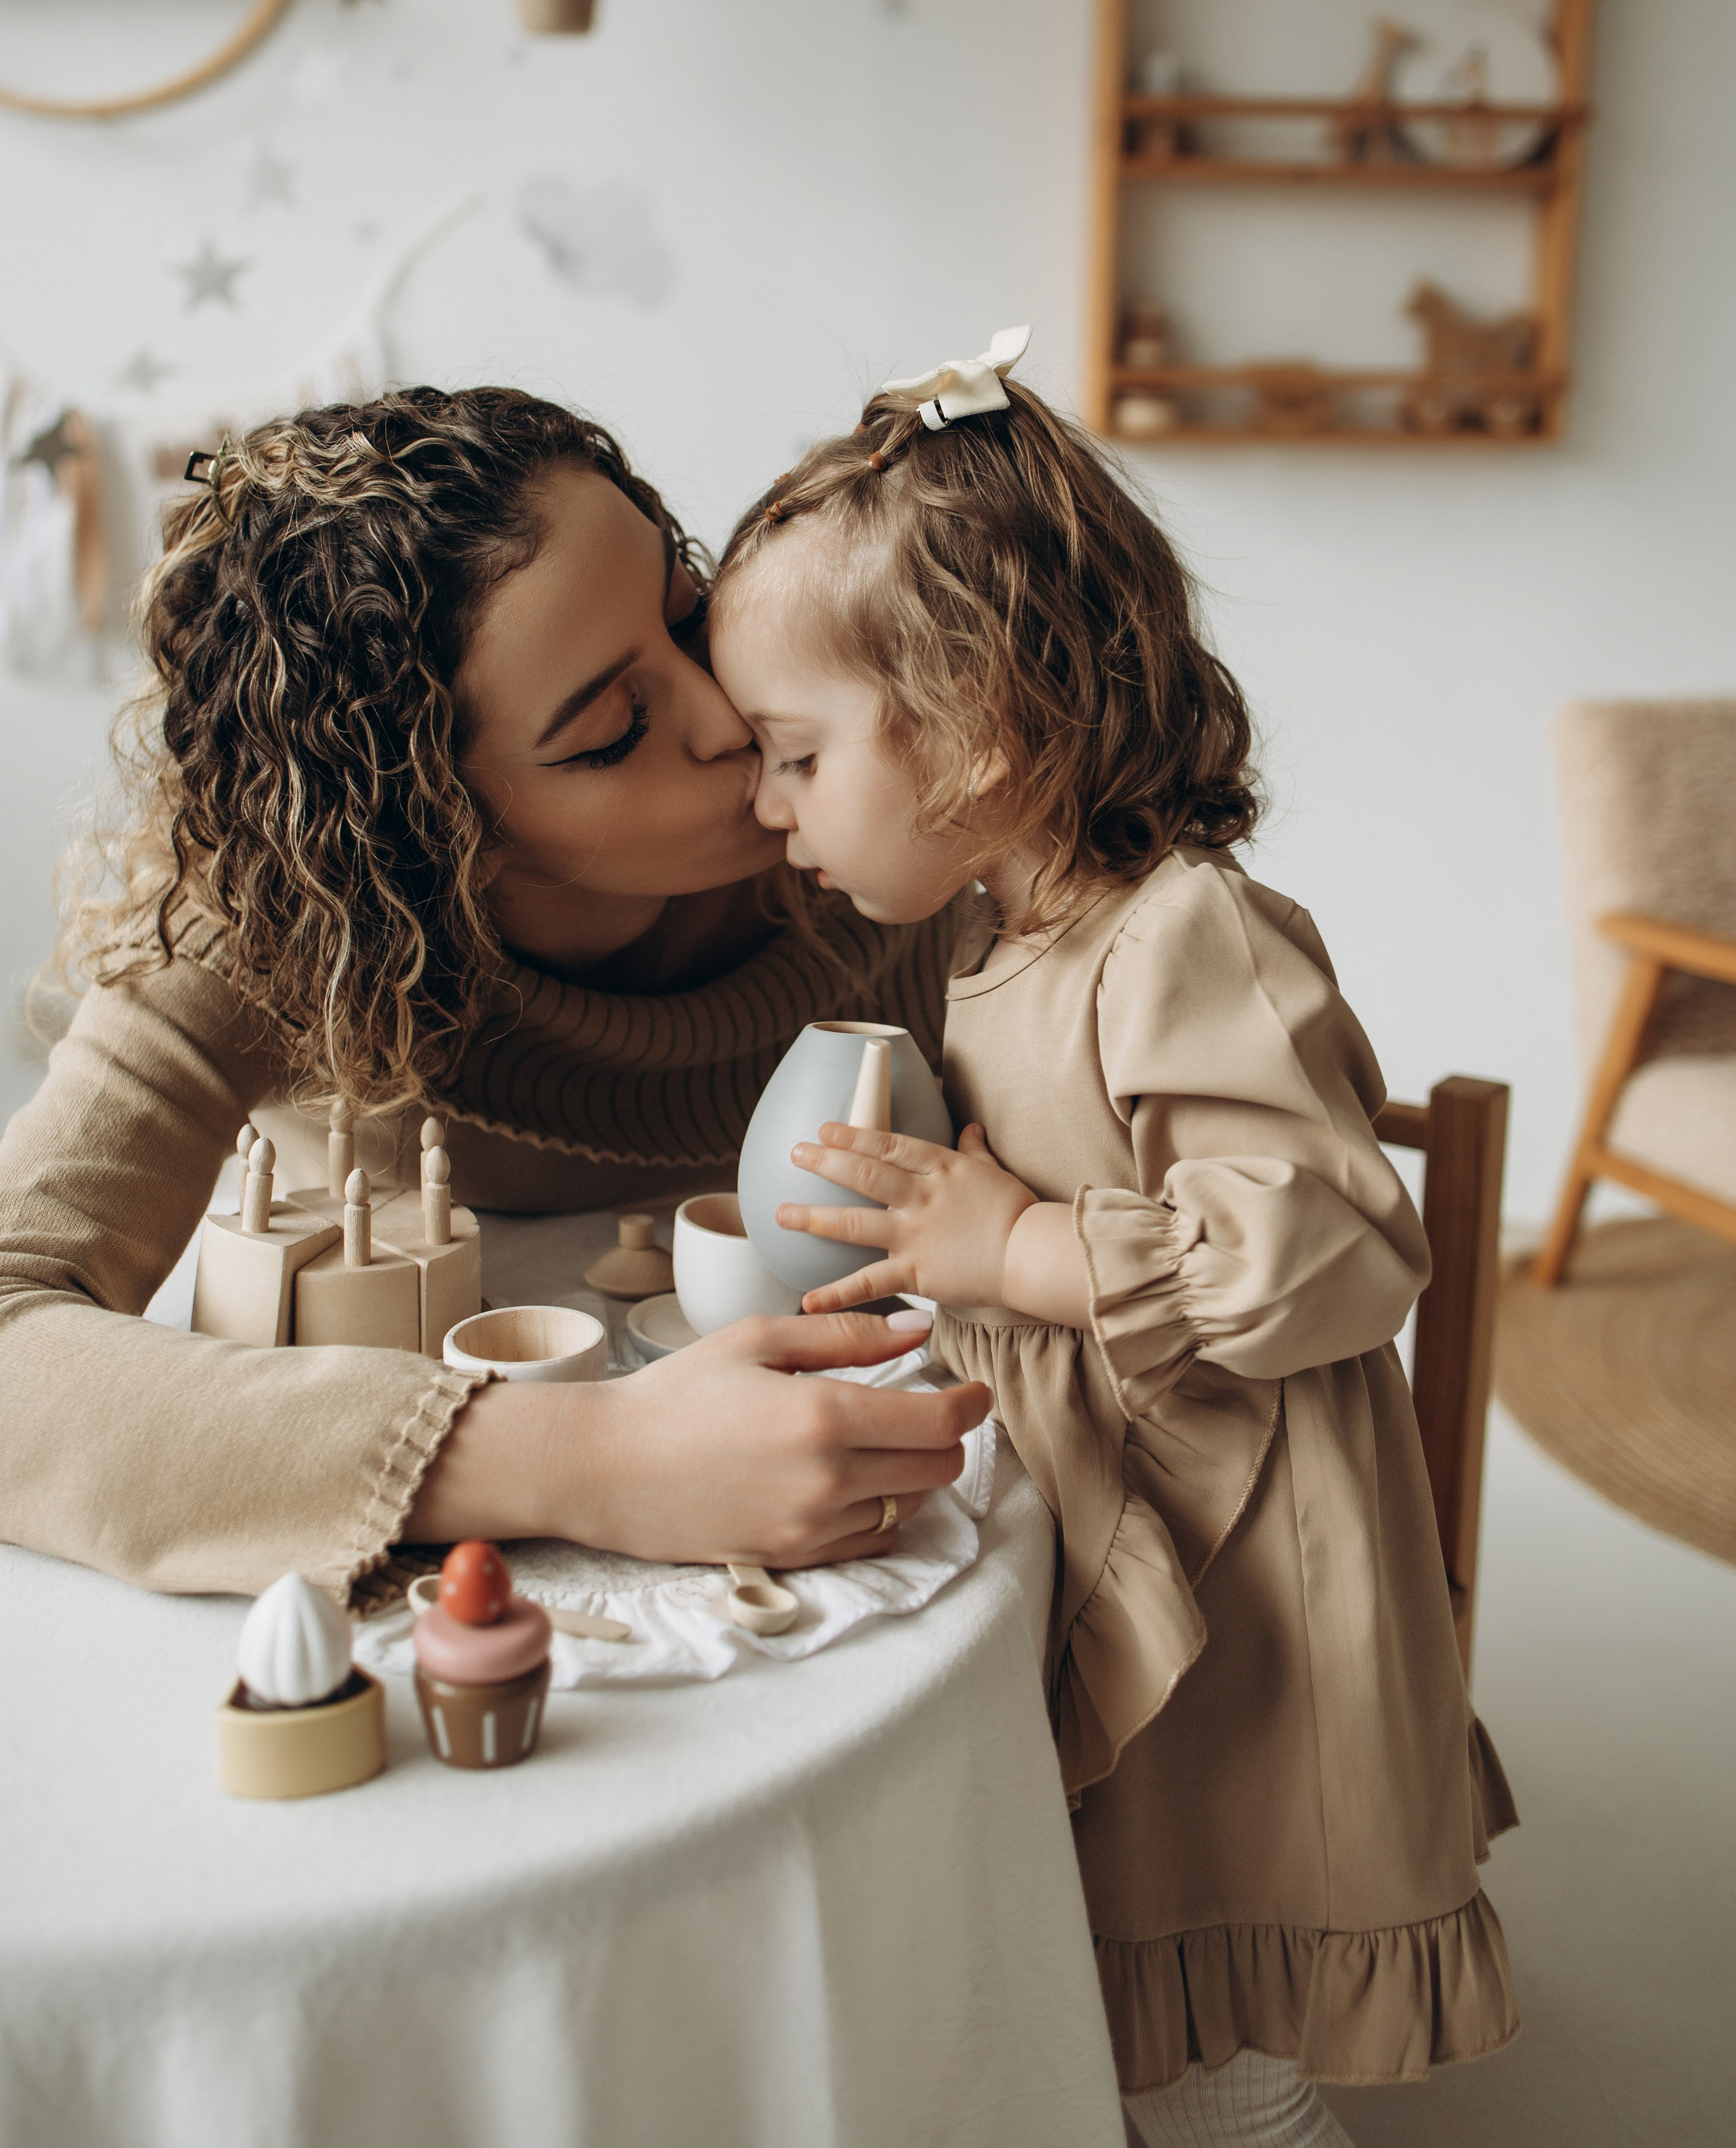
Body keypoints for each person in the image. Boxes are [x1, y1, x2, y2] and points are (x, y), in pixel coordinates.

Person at [705, 336, 1519, 2147]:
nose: (769, 810)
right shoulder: (1002, 938)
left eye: (796, 756)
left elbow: (1334, 1244)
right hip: (1122, 1501)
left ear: (981, 725)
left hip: (1247, 1581)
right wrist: (935, 1253)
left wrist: (1021, 1253)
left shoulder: (1187, 940)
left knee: (1216, 1965)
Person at [0, 388, 989, 1602]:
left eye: (691, 617)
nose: (737, 717)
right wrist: (589, 1456)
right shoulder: (280, 926)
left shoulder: (922, 836)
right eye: (618, 729)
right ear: (429, 833)